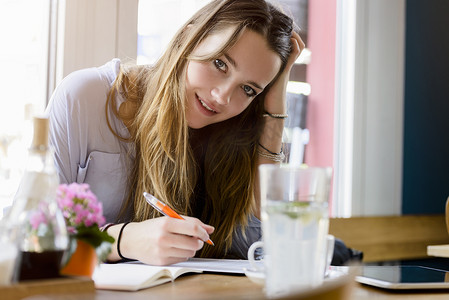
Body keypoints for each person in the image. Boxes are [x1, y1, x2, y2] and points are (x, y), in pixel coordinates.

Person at [46, 0, 304, 265]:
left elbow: (261, 246)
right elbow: (35, 237)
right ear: (187, 38)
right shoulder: (85, 98)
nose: (222, 97)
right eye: (220, 63)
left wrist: (275, 108)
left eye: (248, 89)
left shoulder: (231, 132)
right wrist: (123, 240)